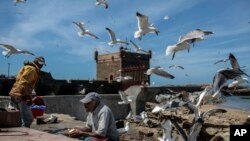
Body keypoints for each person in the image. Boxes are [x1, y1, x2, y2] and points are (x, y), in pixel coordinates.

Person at [9, 56, 46, 128]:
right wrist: (26, 96)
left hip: (14, 92)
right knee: (28, 119)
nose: (42, 66)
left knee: (15, 117)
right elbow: (24, 82)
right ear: (37, 62)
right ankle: (24, 136)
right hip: (20, 94)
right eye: (41, 63)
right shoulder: (32, 69)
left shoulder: (27, 67)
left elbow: (19, 81)